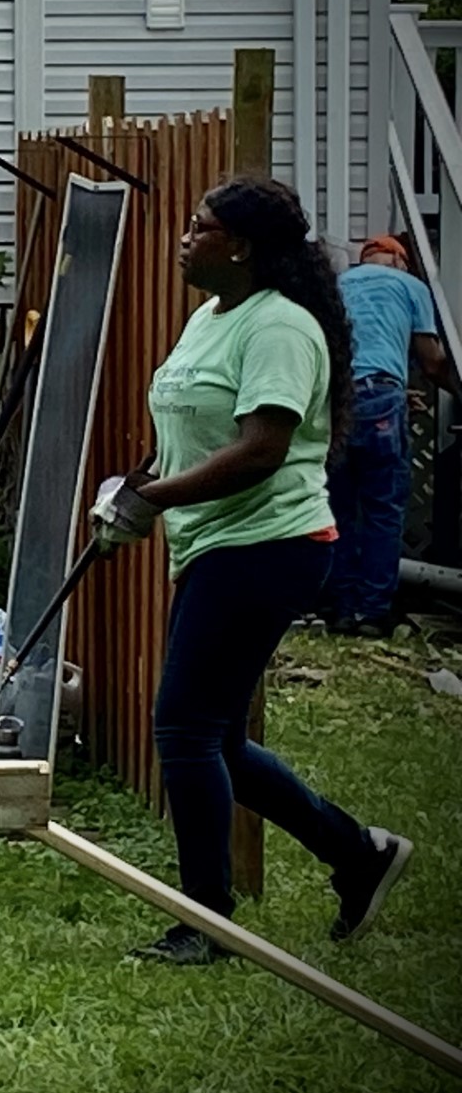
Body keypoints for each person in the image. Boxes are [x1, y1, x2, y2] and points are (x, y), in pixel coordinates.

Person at [92, 177, 412, 965]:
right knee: (217, 739)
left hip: (269, 546)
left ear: (239, 246)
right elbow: (186, 424)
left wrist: (153, 498)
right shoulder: (211, 317)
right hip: (217, 546)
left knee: (184, 731)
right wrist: (133, 487)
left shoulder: (281, 328)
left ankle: (206, 923)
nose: (184, 238)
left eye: (199, 228)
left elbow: (263, 448)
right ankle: (358, 854)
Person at [322, 234, 456, 635]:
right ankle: (373, 613)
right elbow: (432, 363)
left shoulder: (339, 285)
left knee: (338, 509)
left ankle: (340, 611)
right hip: (382, 398)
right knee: (383, 511)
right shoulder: (411, 285)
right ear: (400, 261)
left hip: (338, 401)